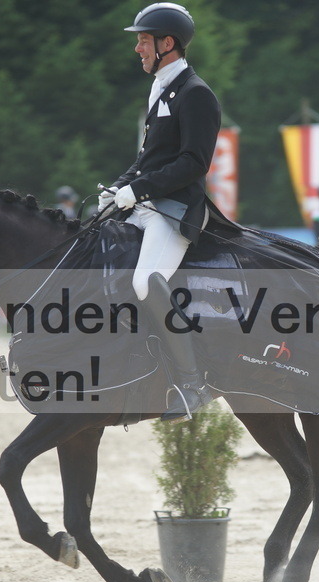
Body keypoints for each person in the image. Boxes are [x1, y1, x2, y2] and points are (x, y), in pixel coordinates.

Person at [96, 2, 221, 422]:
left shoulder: (196, 93)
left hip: (174, 210)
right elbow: (149, 156)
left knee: (146, 282)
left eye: (144, 41)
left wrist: (140, 189)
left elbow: (193, 163)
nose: (138, 49)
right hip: (146, 204)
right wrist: (118, 188)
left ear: (168, 44)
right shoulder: (163, 87)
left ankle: (192, 384)